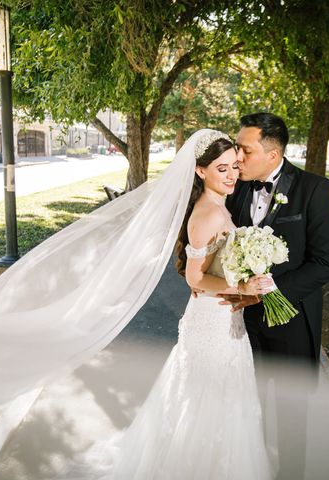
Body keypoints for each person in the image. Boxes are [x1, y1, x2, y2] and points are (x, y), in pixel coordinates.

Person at [59, 129, 276, 479]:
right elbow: (195, 278)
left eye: (235, 166)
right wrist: (241, 285)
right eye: (222, 169)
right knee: (204, 403)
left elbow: (217, 268)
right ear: (200, 171)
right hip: (209, 324)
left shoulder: (221, 205)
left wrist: (246, 291)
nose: (233, 174)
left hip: (225, 319)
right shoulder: (206, 214)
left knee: (223, 402)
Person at [221, 112, 329, 480]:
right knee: (245, 412)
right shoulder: (235, 186)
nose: (237, 157)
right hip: (241, 326)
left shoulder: (313, 189)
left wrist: (268, 294)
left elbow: (324, 264)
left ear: (273, 155)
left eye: (245, 149)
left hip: (292, 323)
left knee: (290, 420)